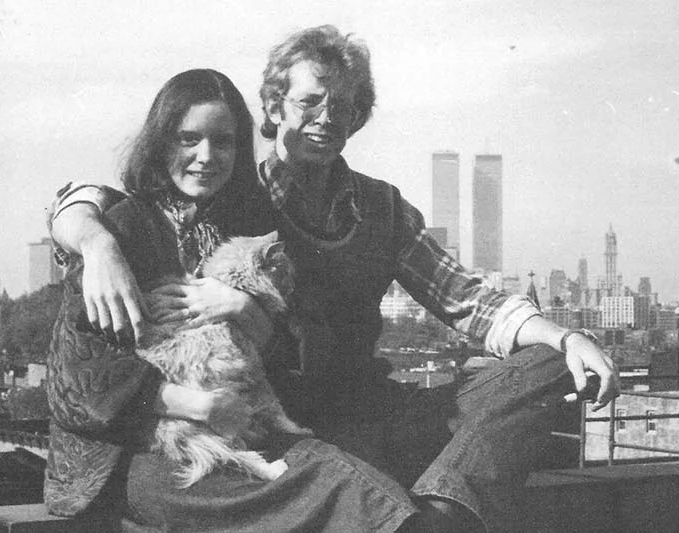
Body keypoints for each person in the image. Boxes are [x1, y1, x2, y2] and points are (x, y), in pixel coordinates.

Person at [47, 26, 620, 532]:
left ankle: (445, 511)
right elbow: (109, 207)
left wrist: (566, 338)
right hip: (268, 419)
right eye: (310, 101)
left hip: (360, 407)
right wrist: (90, 234)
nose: (326, 119)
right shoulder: (241, 207)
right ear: (273, 109)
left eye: (342, 106)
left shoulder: (372, 209)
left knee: (549, 365)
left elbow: (466, 299)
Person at [44, 68, 419, 532]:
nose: (206, 157)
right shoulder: (121, 231)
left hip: (246, 432)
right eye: (188, 139)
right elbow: (74, 386)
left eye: (223, 142)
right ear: (161, 143)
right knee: (343, 495)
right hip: (145, 454)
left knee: (345, 480)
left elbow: (308, 351)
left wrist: (244, 310)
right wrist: (203, 407)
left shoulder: (256, 226)